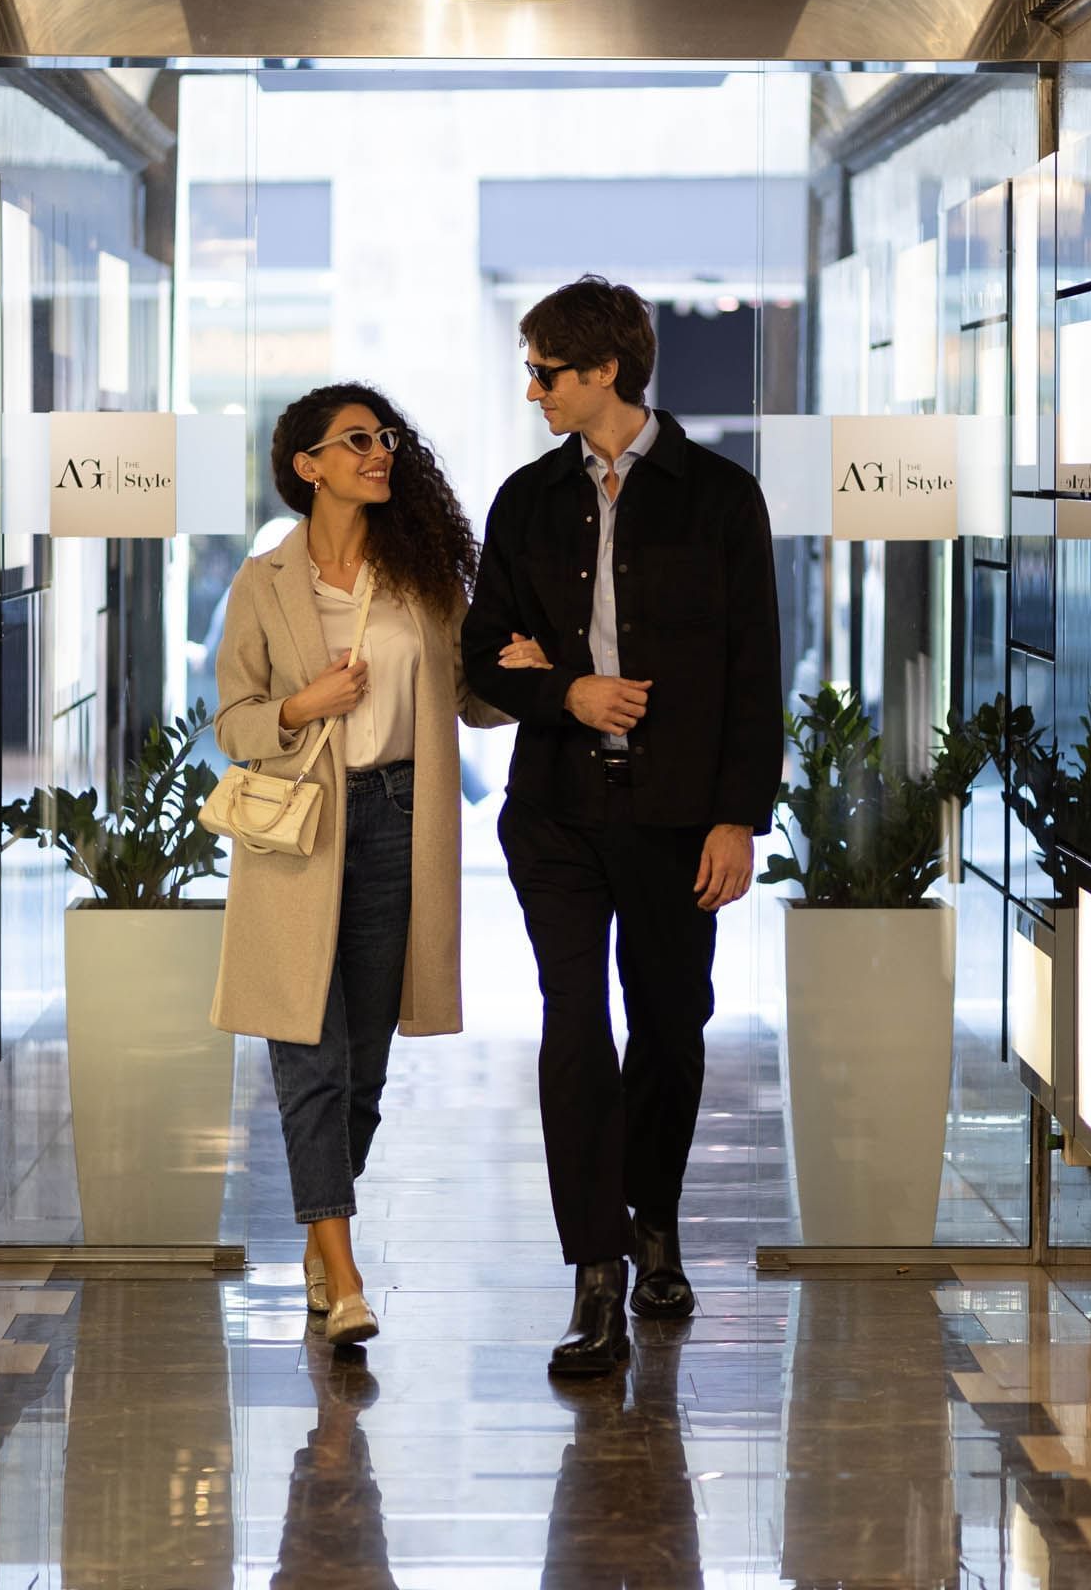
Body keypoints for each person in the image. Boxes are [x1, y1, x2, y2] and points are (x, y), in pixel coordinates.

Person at [462, 276, 783, 1377]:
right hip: (553, 810)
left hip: (675, 813)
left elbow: (753, 677)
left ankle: (655, 1228)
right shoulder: (522, 501)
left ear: (603, 372)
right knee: (571, 1026)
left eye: (546, 371)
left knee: (668, 1026)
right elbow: (479, 653)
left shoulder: (719, 498)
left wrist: (737, 817)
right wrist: (566, 693)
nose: (533, 389)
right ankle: (593, 1274)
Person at [212, 383, 505, 1348]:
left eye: (383, 438)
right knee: (309, 1051)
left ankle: (318, 1230)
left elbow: (469, 698)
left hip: (402, 816)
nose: (379, 452)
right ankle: (343, 1274)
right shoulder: (263, 580)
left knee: (367, 1065)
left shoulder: (423, 579)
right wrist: (305, 706)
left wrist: (526, 675)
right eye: (355, 441)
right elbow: (236, 722)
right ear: (308, 467)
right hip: (299, 829)